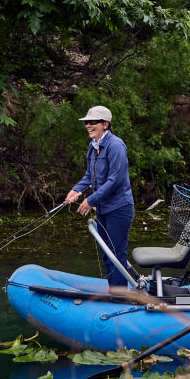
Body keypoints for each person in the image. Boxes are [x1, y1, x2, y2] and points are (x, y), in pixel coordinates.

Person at [64, 105, 135, 287]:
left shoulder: (116, 145)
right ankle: (115, 291)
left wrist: (90, 200)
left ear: (105, 124)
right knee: (106, 253)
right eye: (86, 122)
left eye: (92, 122)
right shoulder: (93, 146)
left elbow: (115, 180)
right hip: (103, 208)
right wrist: (76, 190)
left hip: (119, 208)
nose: (88, 125)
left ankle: (120, 297)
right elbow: (89, 176)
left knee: (116, 254)